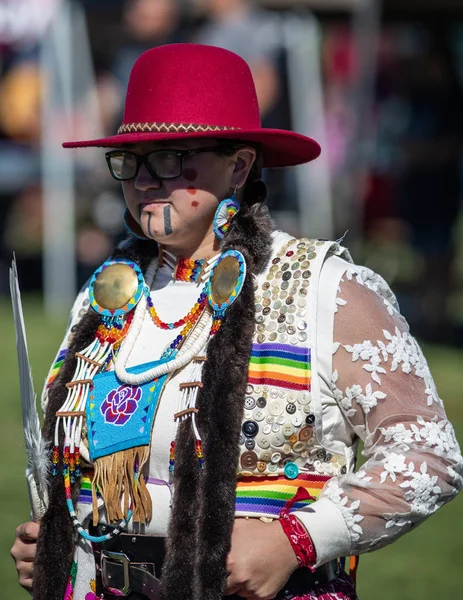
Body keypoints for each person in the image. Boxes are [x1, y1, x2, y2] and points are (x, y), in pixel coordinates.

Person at [10, 44, 463, 600]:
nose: (147, 178)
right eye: (131, 158)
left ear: (240, 165)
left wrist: (296, 541)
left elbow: (428, 456)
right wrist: (57, 548)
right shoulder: (108, 295)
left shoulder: (319, 286)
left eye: (173, 157)